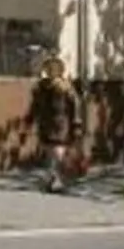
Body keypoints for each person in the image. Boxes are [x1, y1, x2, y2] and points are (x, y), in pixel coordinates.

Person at [30, 53, 84, 193]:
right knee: (50, 154)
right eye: (48, 68)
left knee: (58, 153)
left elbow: (75, 105)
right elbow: (35, 105)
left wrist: (77, 123)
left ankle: (56, 180)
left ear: (59, 70)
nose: (50, 71)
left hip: (61, 124)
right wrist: (30, 119)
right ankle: (53, 179)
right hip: (46, 123)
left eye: (53, 68)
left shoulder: (65, 87)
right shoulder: (41, 87)